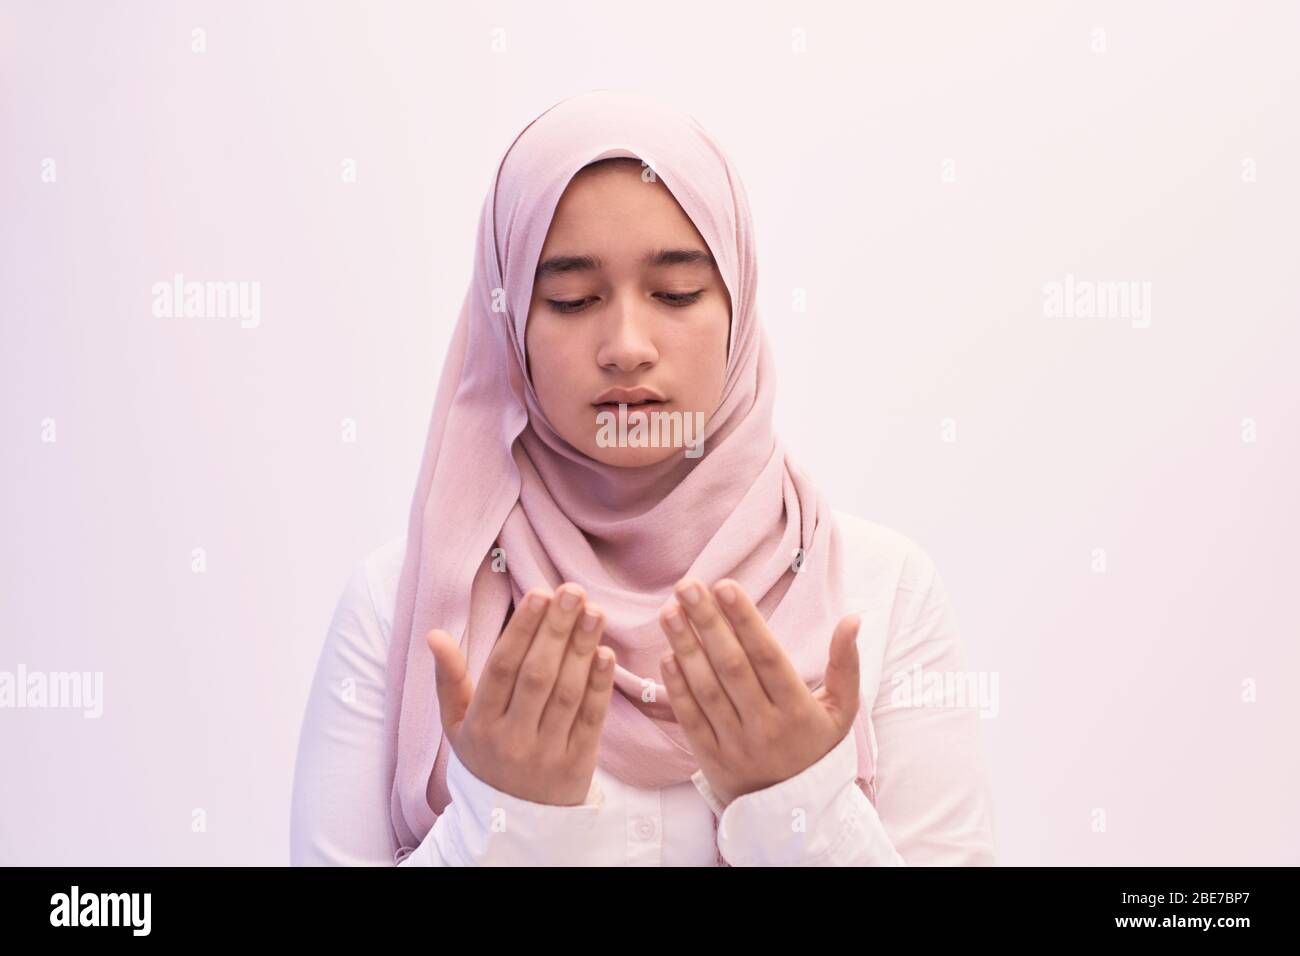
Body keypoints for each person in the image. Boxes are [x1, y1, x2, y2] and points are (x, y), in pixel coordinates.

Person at [289, 89, 997, 866]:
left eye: (676, 293)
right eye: (570, 299)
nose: (626, 345)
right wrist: (504, 821)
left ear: (740, 303)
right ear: (506, 325)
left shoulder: (879, 589)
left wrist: (800, 809)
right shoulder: (403, 609)